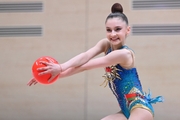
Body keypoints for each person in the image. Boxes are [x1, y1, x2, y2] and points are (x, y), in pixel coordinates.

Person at [27, 3, 163, 120]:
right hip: (125, 109)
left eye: (118, 29)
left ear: (127, 30)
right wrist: (53, 74)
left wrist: (60, 68)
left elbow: (86, 66)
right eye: (108, 30)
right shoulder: (106, 44)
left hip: (139, 108)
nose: (113, 34)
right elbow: (85, 56)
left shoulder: (124, 54)